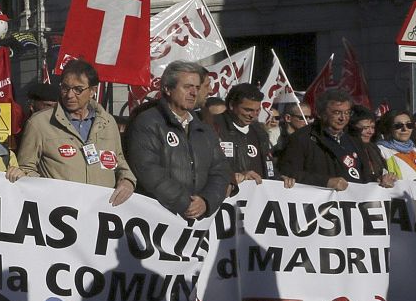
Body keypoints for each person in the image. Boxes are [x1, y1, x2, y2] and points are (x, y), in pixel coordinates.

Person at [15, 59, 135, 204]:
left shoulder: (108, 123)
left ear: (92, 91)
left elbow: (119, 161)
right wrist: (49, 191)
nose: (70, 95)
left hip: (100, 212)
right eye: (65, 88)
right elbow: (25, 168)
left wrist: (127, 180)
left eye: (78, 89)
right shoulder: (39, 123)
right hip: (59, 212)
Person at [125, 61, 231, 220]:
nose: (194, 93)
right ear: (167, 88)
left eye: (196, 87)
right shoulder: (147, 122)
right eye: (187, 87)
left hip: (197, 222)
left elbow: (220, 170)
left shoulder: (204, 129)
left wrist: (206, 201)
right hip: (158, 218)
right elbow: (148, 169)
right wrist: (185, 203)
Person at [278, 87, 396, 191]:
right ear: (320, 113)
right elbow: (287, 174)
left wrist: (378, 179)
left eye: (347, 113)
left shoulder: (354, 139)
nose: (343, 118)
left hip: (351, 209)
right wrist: (326, 182)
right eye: (337, 112)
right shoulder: (301, 138)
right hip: (319, 210)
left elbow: (363, 176)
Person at [209, 83, 287, 187]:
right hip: (227, 197)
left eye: (257, 110)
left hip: (256, 197)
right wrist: (233, 176)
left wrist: (278, 179)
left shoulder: (259, 131)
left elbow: (268, 165)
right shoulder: (211, 128)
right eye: (248, 110)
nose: (253, 115)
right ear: (232, 105)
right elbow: (203, 168)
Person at [375, 110, 416, 183]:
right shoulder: (380, 149)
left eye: (409, 125)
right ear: (389, 128)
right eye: (398, 126)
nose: (405, 129)